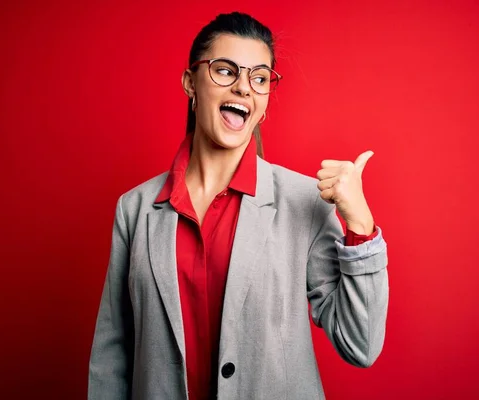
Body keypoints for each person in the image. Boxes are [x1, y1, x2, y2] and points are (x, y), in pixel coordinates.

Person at [88, 11, 389, 400]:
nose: (244, 88)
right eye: (226, 71)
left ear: (263, 102)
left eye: (259, 78)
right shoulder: (135, 209)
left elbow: (360, 344)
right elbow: (112, 354)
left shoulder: (304, 203)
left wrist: (360, 227)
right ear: (190, 83)